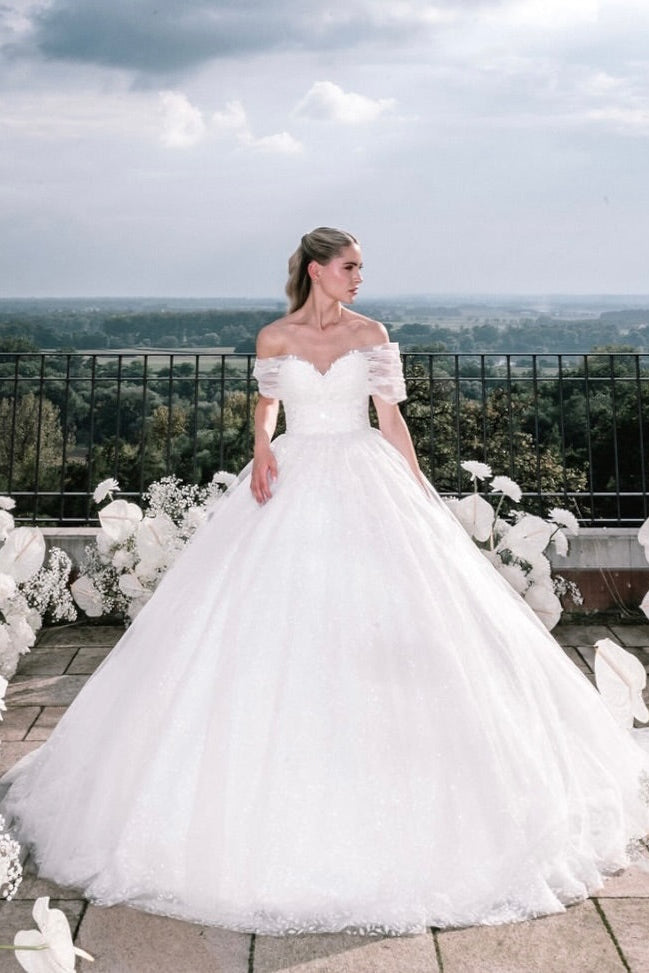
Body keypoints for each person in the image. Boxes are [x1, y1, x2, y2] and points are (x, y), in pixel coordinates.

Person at [1, 227, 648, 936]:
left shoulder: (373, 332)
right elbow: (269, 405)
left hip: (364, 474)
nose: (359, 278)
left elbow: (391, 419)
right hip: (293, 472)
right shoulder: (273, 336)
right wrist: (260, 448)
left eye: (361, 268)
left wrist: (418, 488)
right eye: (350, 267)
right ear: (317, 270)